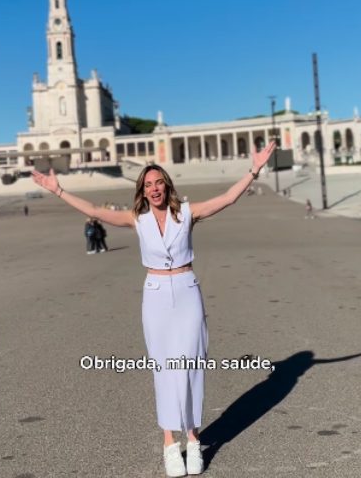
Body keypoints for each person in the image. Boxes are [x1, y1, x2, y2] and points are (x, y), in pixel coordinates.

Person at [31, 141, 276, 477]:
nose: (154, 188)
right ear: (142, 191)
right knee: (164, 368)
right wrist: (58, 189)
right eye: (148, 184)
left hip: (187, 291)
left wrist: (254, 170)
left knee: (191, 365)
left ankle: (193, 438)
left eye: (159, 182)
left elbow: (228, 198)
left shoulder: (187, 213)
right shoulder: (137, 219)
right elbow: (97, 211)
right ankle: (169, 444)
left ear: (167, 185)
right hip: (156, 294)